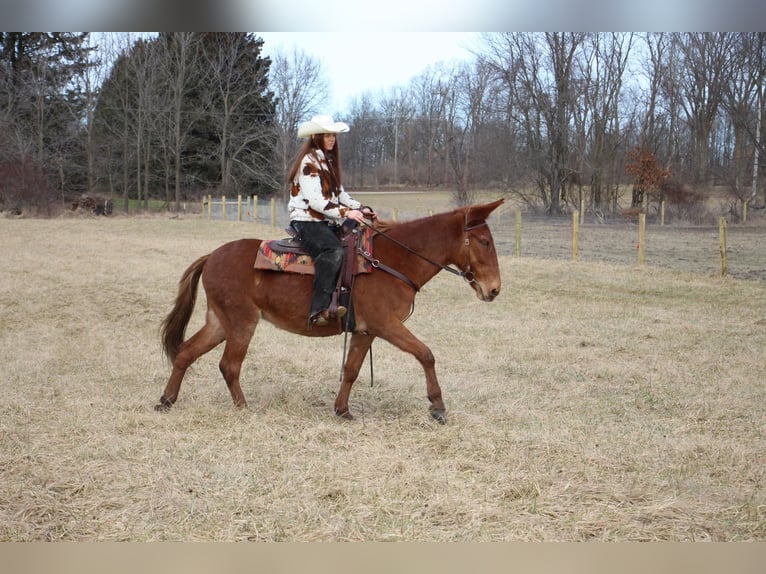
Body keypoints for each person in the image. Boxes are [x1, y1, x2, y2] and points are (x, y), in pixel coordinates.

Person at [287, 114, 377, 327]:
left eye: (333, 135)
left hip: (324, 221)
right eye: (327, 135)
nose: (331, 139)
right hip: (306, 221)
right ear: (316, 137)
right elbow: (316, 201)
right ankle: (319, 309)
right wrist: (347, 213)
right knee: (333, 251)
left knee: (357, 240)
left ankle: (354, 304)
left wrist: (361, 209)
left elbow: (340, 194)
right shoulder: (309, 163)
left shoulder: (327, 162)